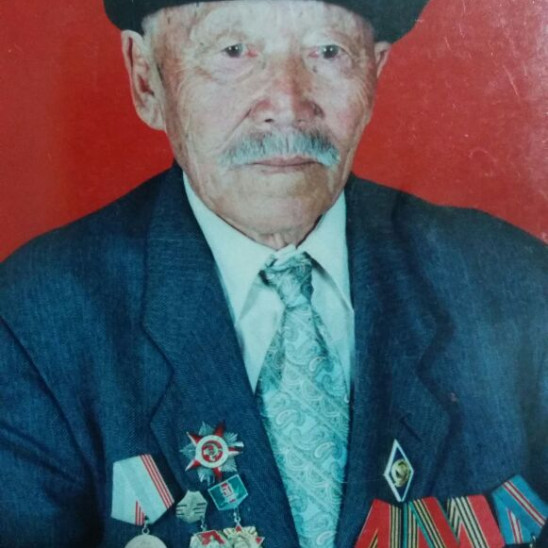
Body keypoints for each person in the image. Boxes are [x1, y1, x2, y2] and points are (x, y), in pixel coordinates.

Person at [0, 0, 546, 546]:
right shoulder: (34, 324)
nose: (286, 106)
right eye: (234, 50)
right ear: (147, 80)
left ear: (375, 75)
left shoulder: (515, 283)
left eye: (328, 51)